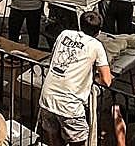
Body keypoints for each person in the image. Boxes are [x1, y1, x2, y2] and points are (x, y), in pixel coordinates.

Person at [37, 11, 111, 146]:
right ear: (98, 32)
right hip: (69, 105)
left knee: (54, 137)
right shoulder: (96, 45)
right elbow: (107, 80)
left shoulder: (64, 34)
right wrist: (92, 80)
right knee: (78, 141)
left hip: (48, 97)